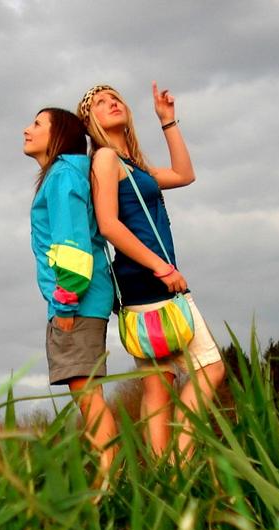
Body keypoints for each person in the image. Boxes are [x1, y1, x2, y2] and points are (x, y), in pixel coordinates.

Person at [77, 83, 226, 459]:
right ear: (89, 120)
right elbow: (109, 224)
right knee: (211, 368)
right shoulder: (106, 160)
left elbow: (184, 174)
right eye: (99, 102)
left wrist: (168, 121)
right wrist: (162, 268)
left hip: (141, 283)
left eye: (114, 98)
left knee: (158, 387)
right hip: (150, 278)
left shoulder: (133, 165)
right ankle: (179, 457)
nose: (110, 103)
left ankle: (165, 475)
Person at [23, 107, 117, 471]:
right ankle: (109, 475)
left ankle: (110, 479)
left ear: (59, 134)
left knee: (88, 397)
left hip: (75, 302)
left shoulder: (62, 177)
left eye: (36, 124)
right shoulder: (65, 176)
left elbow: (72, 244)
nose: (26, 130)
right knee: (87, 395)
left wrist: (64, 305)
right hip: (81, 298)